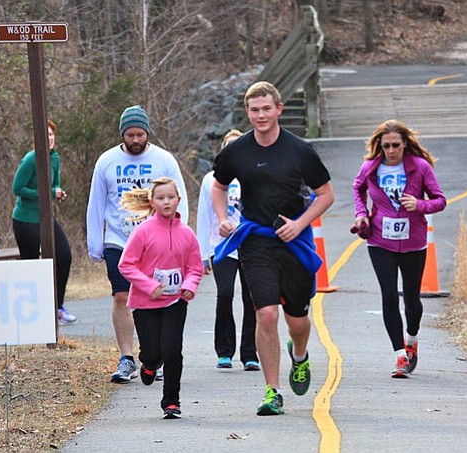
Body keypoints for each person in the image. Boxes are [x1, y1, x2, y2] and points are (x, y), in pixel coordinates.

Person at [212, 81, 335, 416]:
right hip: (255, 240)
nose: (261, 115)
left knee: (297, 320)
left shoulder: (300, 150)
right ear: (247, 113)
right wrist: (224, 218)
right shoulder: (236, 152)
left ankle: (300, 355)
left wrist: (300, 224)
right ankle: (272, 391)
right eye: (254, 110)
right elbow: (218, 185)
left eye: (267, 108)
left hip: (293, 242)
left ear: (279, 109)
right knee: (265, 314)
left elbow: (326, 194)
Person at [86, 105, 189, 383]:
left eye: (140, 134)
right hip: (118, 239)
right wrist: (94, 243)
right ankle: (127, 358)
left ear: (147, 133)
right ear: (122, 134)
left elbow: (181, 199)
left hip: (156, 241)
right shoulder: (106, 161)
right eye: (130, 135)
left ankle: (158, 355)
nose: (135, 140)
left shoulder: (163, 160)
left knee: (158, 298)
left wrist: (181, 237)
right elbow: (96, 203)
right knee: (121, 296)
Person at [352, 119, 446, 378]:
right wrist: (361, 214)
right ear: (379, 146)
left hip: (413, 241)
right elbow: (357, 188)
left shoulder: (420, 167)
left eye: (395, 145)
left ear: (405, 144)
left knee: (412, 300)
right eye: (385, 146)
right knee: (389, 295)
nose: (391, 151)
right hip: (380, 239)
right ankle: (400, 356)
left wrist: (419, 204)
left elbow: (440, 200)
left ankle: (412, 339)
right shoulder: (371, 168)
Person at [118, 177, 203, 419]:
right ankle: (148, 364)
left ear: (179, 200)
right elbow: (127, 265)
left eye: (171, 197)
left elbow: (195, 268)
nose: (166, 201)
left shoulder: (187, 234)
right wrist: (149, 286)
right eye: (161, 198)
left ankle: (171, 401)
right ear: (152, 202)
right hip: (145, 303)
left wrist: (189, 286)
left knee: (173, 350)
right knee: (154, 353)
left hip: (175, 301)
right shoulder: (142, 232)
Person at [196, 129, 260, 371]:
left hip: (251, 244)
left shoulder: (254, 175)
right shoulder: (211, 180)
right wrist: (202, 255)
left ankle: (249, 353)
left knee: (251, 297)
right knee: (225, 293)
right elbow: (203, 216)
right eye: (229, 147)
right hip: (221, 246)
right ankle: (224, 351)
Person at [11, 119, 76, 324]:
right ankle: (30, 314)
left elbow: (54, 183)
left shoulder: (54, 158)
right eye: (45, 134)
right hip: (26, 219)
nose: (49, 138)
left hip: (46, 218)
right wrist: (48, 192)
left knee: (64, 255)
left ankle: (57, 307)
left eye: (51, 134)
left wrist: (58, 193)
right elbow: (17, 189)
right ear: (36, 139)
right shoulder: (31, 159)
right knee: (31, 265)